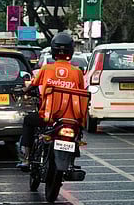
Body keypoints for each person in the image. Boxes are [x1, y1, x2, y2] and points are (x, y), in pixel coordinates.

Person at [17, 32, 85, 168]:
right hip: (71, 119)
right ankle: (71, 161)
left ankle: (27, 158)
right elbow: (82, 93)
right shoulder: (77, 72)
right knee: (77, 134)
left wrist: (24, 90)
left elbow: (32, 85)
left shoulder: (46, 68)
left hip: (48, 117)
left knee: (28, 121)